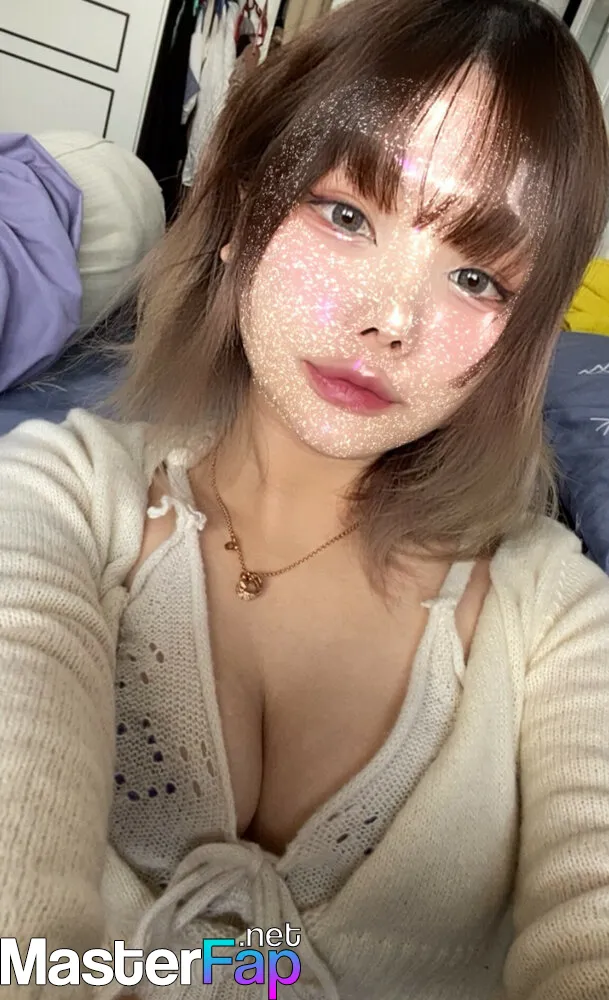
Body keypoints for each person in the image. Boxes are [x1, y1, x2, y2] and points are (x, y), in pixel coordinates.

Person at [1, 0, 608, 997]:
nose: (391, 319)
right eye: (346, 215)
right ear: (242, 212)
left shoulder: (557, 617)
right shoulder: (52, 497)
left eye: (474, 277)